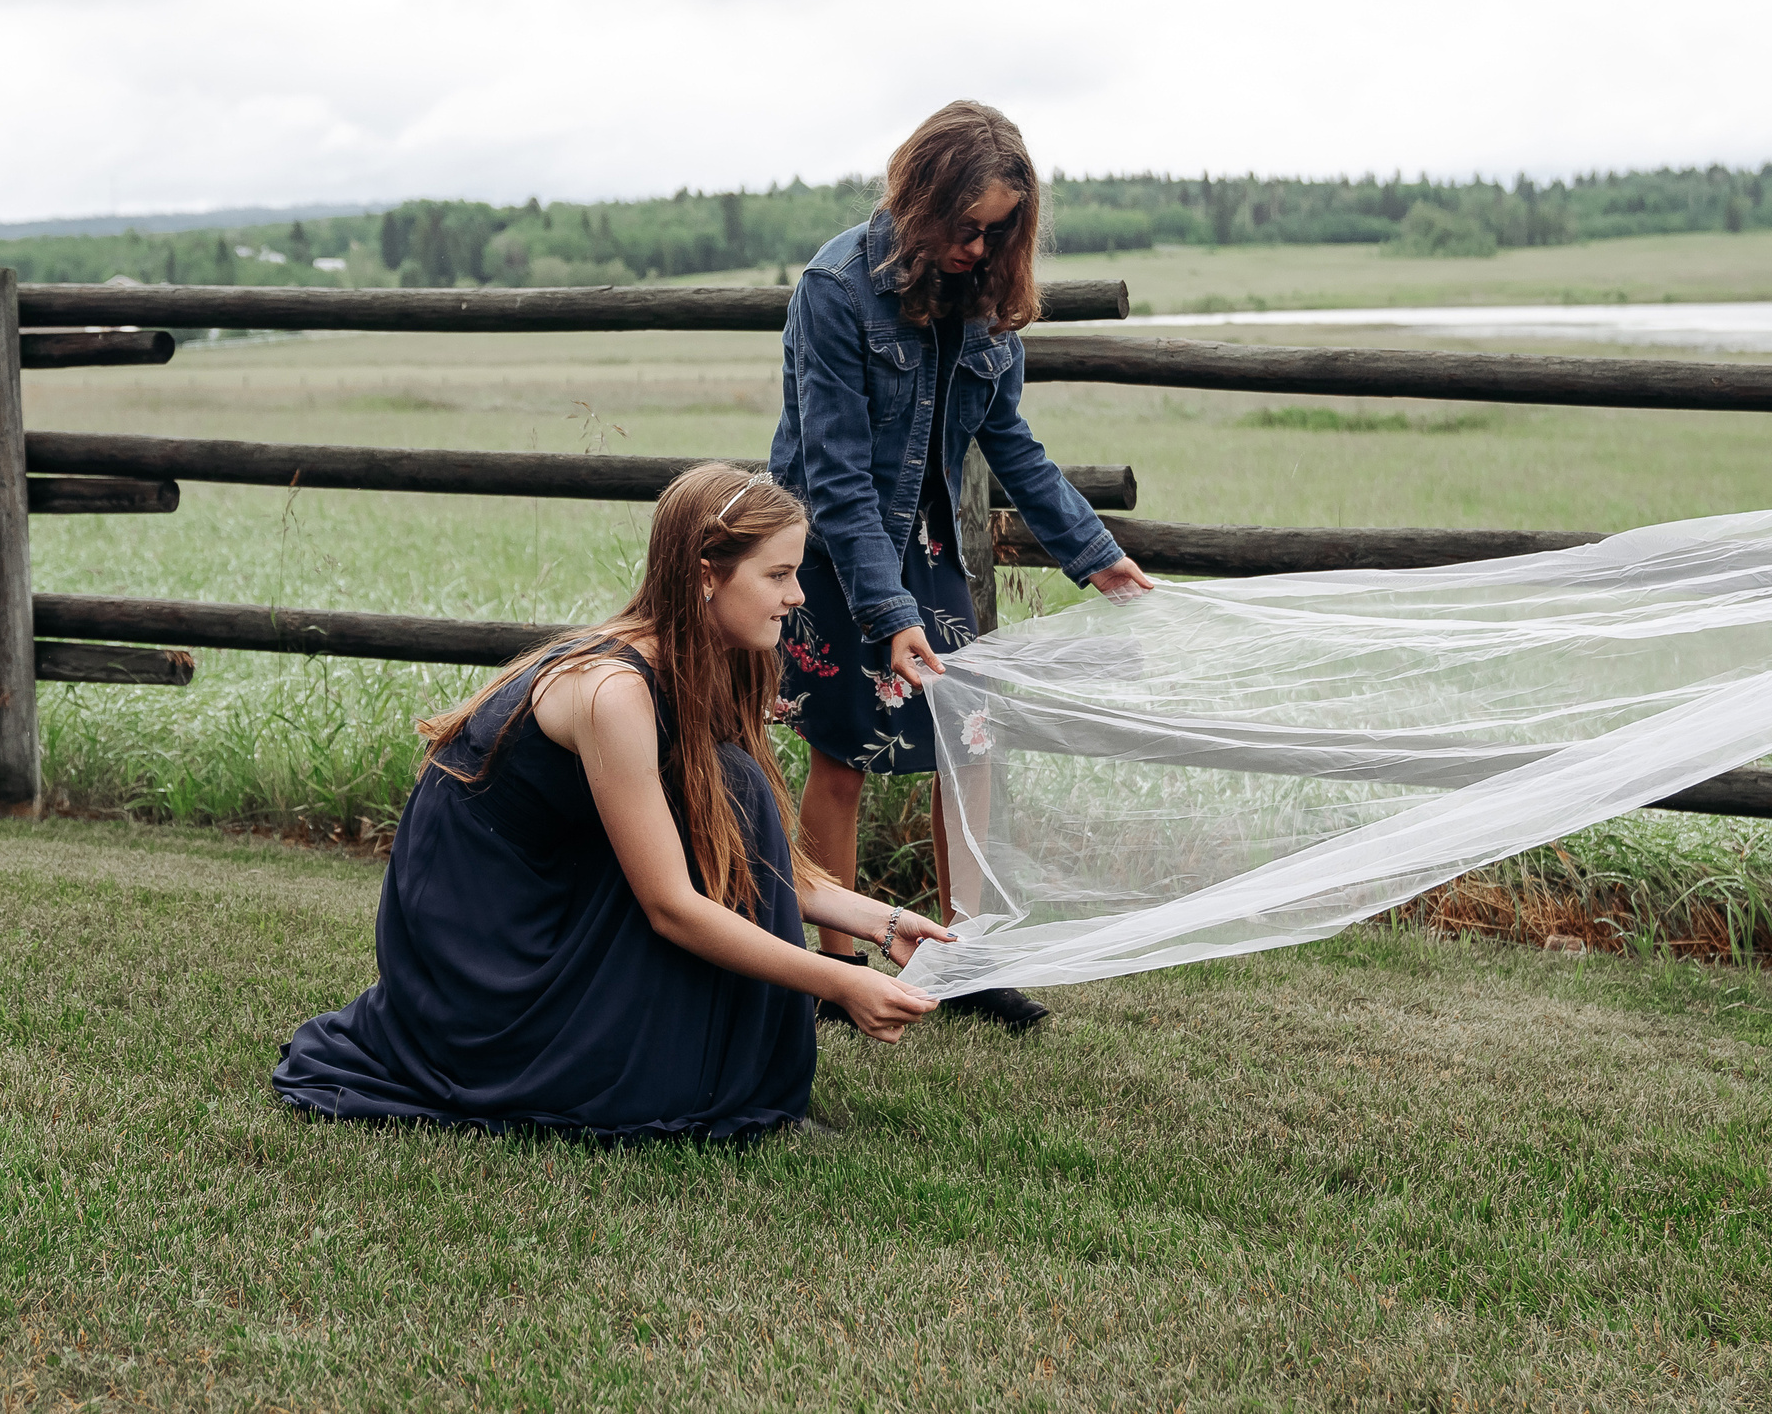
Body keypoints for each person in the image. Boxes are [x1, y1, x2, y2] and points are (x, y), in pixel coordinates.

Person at [272, 464, 951, 1141]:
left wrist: (884, 922)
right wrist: (837, 981)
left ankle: (732, 1079)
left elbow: (729, 841)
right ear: (706, 573)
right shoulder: (613, 692)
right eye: (777, 575)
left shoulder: (709, 657)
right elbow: (670, 906)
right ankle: (718, 1088)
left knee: (735, 784)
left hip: (557, 870)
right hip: (482, 927)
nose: (797, 594)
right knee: (736, 793)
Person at [769, 100, 1156, 1032]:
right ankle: (838, 969)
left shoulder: (982, 301)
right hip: (830, 550)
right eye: (967, 227)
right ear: (921, 198)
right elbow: (839, 477)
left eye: (998, 232)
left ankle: (966, 959)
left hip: (932, 546)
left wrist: (1094, 554)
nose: (980, 251)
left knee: (969, 745)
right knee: (844, 755)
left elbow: (1009, 441)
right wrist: (885, 611)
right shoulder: (835, 291)